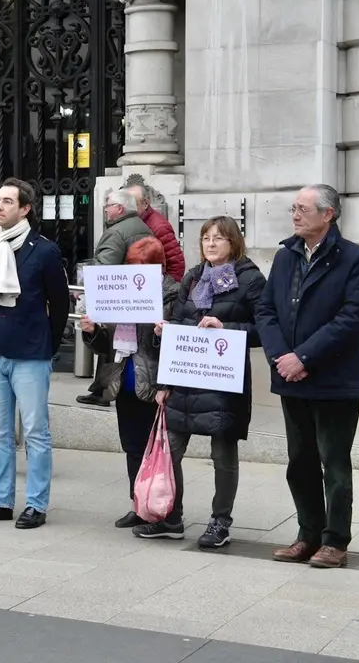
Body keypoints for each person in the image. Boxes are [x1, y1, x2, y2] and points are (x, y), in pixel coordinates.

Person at [129, 218, 261, 546]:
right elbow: (177, 321)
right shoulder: (193, 277)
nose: (211, 244)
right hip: (184, 378)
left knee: (222, 455)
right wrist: (165, 340)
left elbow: (266, 330)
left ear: (234, 242)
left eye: (219, 238)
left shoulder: (250, 279)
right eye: (206, 238)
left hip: (222, 381)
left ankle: (220, 522)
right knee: (170, 450)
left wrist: (227, 328)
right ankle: (171, 517)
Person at [256, 184, 359, 569]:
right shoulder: (287, 255)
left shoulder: (355, 258)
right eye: (293, 209)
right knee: (299, 461)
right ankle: (308, 534)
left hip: (334, 379)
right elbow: (266, 308)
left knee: (333, 463)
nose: (295, 215)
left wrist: (303, 357)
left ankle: (335, 541)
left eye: (303, 209)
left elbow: (353, 318)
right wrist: (280, 357)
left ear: (328, 214)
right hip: (291, 377)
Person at [0, 179, 69, 530]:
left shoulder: (44, 251)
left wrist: (47, 347)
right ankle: (1, 500)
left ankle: (36, 504)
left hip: (30, 353)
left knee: (36, 432)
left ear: (25, 209)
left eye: (7, 202)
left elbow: (59, 304)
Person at [78, 237, 178, 529]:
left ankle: (165, 509)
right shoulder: (118, 290)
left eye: (140, 267)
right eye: (131, 265)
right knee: (132, 445)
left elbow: (171, 346)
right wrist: (92, 331)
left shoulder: (170, 294)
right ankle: (139, 503)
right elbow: (105, 346)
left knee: (158, 448)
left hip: (153, 379)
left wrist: (162, 332)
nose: (134, 272)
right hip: (123, 378)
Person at [78, 188, 154, 408]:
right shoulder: (144, 227)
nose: (106, 210)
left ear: (119, 209)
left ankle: (106, 388)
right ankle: (104, 388)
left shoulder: (116, 232)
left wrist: (86, 278)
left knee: (110, 345)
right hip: (137, 298)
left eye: (108, 205)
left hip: (118, 298)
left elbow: (104, 269)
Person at [125, 182, 185, 282]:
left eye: (133, 204)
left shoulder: (159, 227)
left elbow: (176, 265)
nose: (128, 208)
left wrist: (165, 292)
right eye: (126, 204)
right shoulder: (134, 221)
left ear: (145, 204)